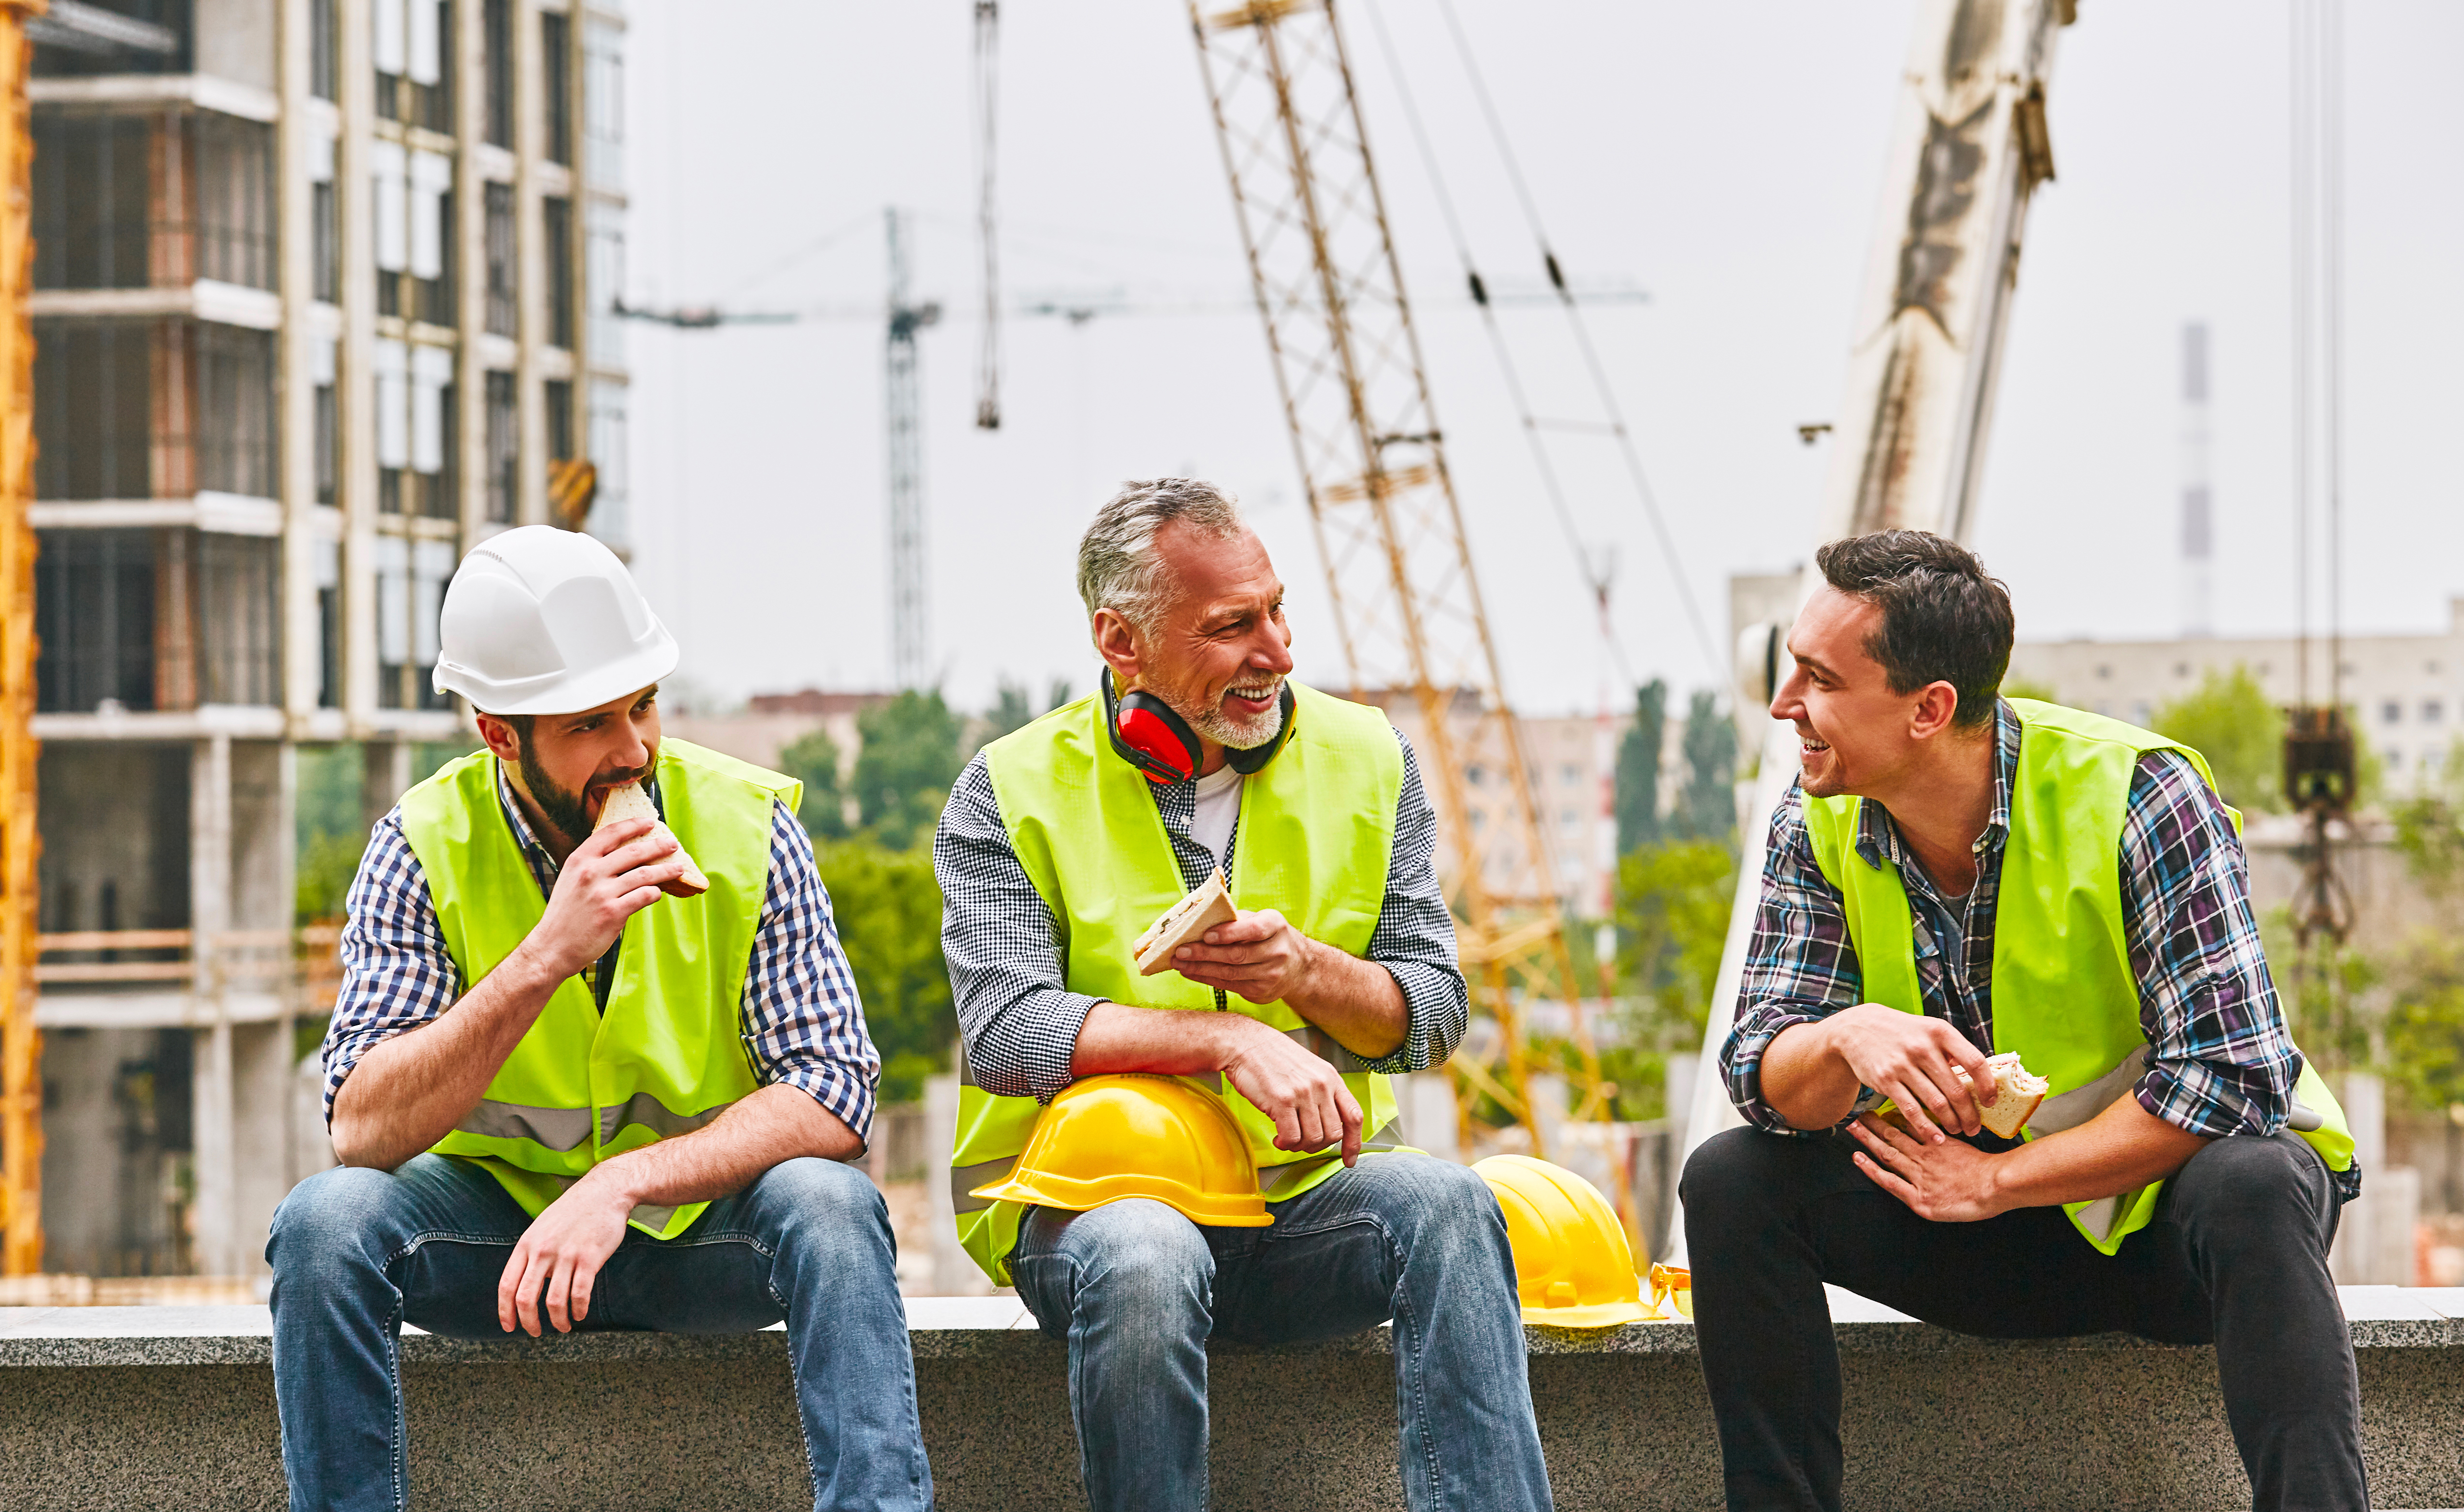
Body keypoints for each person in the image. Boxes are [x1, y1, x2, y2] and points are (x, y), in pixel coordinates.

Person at [1682, 529, 2362, 1512]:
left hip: (2167, 1232)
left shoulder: (2140, 792)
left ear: (1931, 708)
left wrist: (2001, 1178)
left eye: (1821, 678)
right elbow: (1759, 1070)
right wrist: (1841, 1034)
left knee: (2256, 1175)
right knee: (1733, 1179)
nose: (1787, 703)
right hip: (1985, 1231)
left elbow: (2230, 1078)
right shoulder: (1818, 812)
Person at [268, 527, 931, 1512]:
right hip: (503, 1244)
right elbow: (362, 1128)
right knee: (322, 1226)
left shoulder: (749, 824)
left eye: (643, 705)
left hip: (699, 1234)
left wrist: (622, 1183)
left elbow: (835, 1090)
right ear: (500, 733)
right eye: (588, 725)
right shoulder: (419, 845)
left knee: (833, 1206)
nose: (634, 751)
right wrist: (546, 955)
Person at [934, 479, 1553, 1512]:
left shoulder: (1369, 758)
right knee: (1146, 1252)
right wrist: (1220, 1042)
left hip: (1303, 1197)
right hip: (1092, 1211)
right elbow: (1004, 1026)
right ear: (1120, 640)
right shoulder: (1008, 787)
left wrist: (1307, 972)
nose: (1278, 650)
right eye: (1233, 626)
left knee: (1450, 1204)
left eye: (1277, 609)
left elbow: (1434, 1012)